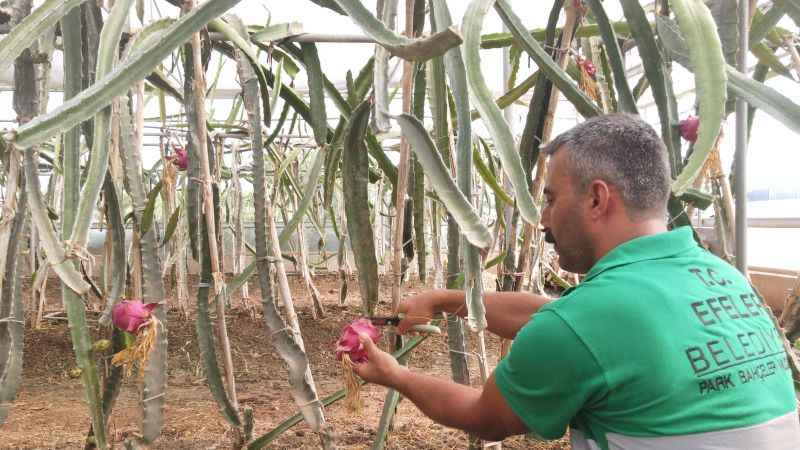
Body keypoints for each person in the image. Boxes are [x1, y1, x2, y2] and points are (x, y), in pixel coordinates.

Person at [352, 114, 800, 449]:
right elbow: (561, 321)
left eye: (549, 198)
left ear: (597, 198)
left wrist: (395, 375)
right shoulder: (721, 276)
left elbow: (483, 417)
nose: (543, 217)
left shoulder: (587, 323)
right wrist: (444, 300)